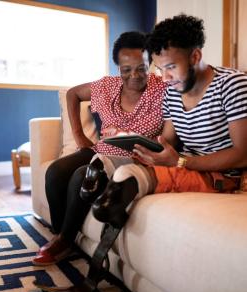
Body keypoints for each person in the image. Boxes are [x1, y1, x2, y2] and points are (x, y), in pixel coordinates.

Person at [92, 14, 247, 221]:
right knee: (107, 162)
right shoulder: (172, 93)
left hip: (223, 176)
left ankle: (116, 197)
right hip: (185, 163)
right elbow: (167, 140)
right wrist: (130, 138)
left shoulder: (233, 85)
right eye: (160, 69)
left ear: (195, 56)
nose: (165, 78)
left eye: (171, 67)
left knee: (129, 176)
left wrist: (182, 161)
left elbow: (242, 154)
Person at [32, 31, 167, 265]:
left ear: (150, 64)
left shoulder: (163, 90)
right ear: (118, 68)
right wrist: (78, 134)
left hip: (134, 159)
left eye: (141, 68)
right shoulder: (107, 86)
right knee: (55, 172)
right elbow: (73, 94)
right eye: (126, 70)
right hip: (101, 150)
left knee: (81, 176)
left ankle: (64, 240)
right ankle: (61, 234)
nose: (134, 75)